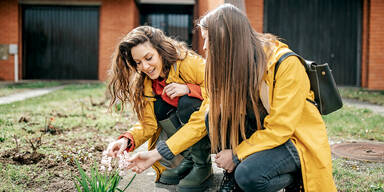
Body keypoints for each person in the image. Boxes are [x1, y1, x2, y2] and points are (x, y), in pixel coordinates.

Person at [199, 4, 337, 192]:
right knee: (214, 115)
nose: (205, 47)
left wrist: (237, 154)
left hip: (294, 139)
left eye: (209, 40)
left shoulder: (286, 64)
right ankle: (232, 179)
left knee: (248, 175)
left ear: (230, 39)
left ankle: (295, 179)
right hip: (265, 131)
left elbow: (280, 129)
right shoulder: (240, 63)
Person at [105, 26, 212, 192]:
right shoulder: (146, 82)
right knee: (160, 107)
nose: (145, 67)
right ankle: (190, 159)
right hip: (189, 134)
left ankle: (203, 164)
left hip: (213, 126)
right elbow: (148, 124)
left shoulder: (188, 62)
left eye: (149, 58)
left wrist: (190, 89)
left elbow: (220, 91)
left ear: (161, 50)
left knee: (186, 102)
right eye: (138, 63)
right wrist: (126, 140)